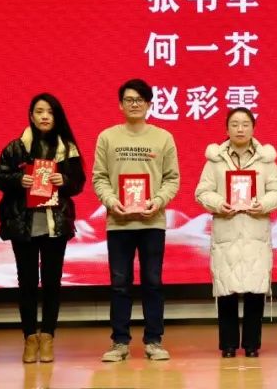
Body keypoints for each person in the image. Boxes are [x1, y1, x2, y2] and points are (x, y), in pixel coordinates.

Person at [92, 79, 181, 362]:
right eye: (129, 100)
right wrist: (111, 202)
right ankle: (120, 342)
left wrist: (158, 201)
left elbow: (172, 179)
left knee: (153, 282)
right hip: (118, 222)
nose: (134, 104)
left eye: (140, 100)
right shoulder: (107, 137)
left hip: (152, 221)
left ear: (149, 104)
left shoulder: (163, 137)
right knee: (120, 283)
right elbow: (99, 177)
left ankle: (154, 341)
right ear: (120, 104)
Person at [0, 93, 86, 363]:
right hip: (23, 224)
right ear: (31, 116)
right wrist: (18, 180)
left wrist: (63, 180)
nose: (45, 116)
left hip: (55, 224)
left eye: (50, 112)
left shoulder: (67, 148)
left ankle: (47, 337)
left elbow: (78, 183)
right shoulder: (16, 147)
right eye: (39, 111)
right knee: (26, 282)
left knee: (52, 282)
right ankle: (29, 338)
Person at [194, 107, 277, 358]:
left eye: (245, 124)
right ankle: (229, 344)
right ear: (227, 129)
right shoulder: (215, 160)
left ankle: (252, 344)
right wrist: (218, 203)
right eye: (234, 124)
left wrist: (262, 204)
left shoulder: (266, 160)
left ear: (253, 128)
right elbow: (202, 192)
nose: (240, 129)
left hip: (255, 230)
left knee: (255, 289)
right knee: (226, 289)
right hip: (227, 230)